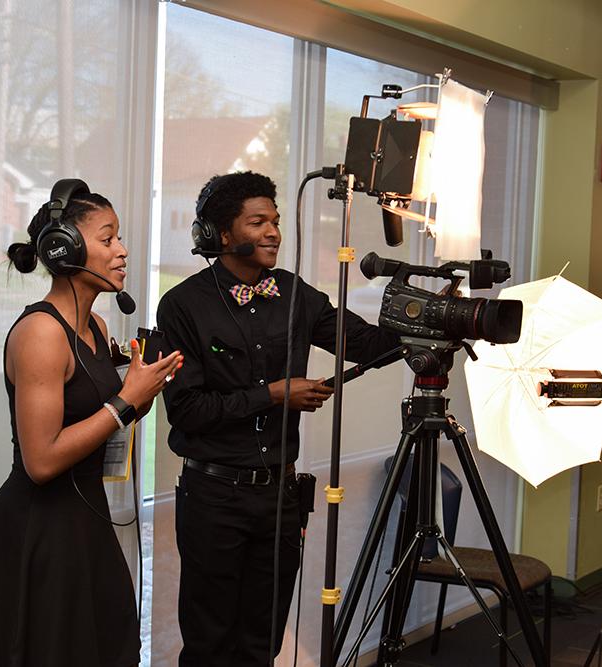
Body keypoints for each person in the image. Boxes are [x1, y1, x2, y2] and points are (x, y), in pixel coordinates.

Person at [156, 171, 400, 665]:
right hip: (213, 498)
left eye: (276, 221)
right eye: (258, 222)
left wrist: (425, 319)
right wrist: (272, 394)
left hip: (280, 497)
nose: (273, 233)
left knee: (262, 642)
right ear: (223, 235)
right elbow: (187, 411)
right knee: (210, 643)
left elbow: (368, 345)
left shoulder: (295, 294)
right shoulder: (183, 305)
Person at [0, 180, 183, 667]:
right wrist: (124, 401)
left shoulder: (97, 329)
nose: (122, 250)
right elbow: (42, 461)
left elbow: (107, 424)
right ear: (64, 248)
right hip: (37, 530)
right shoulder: (41, 334)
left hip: (85, 521)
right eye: (108, 238)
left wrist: (140, 392)